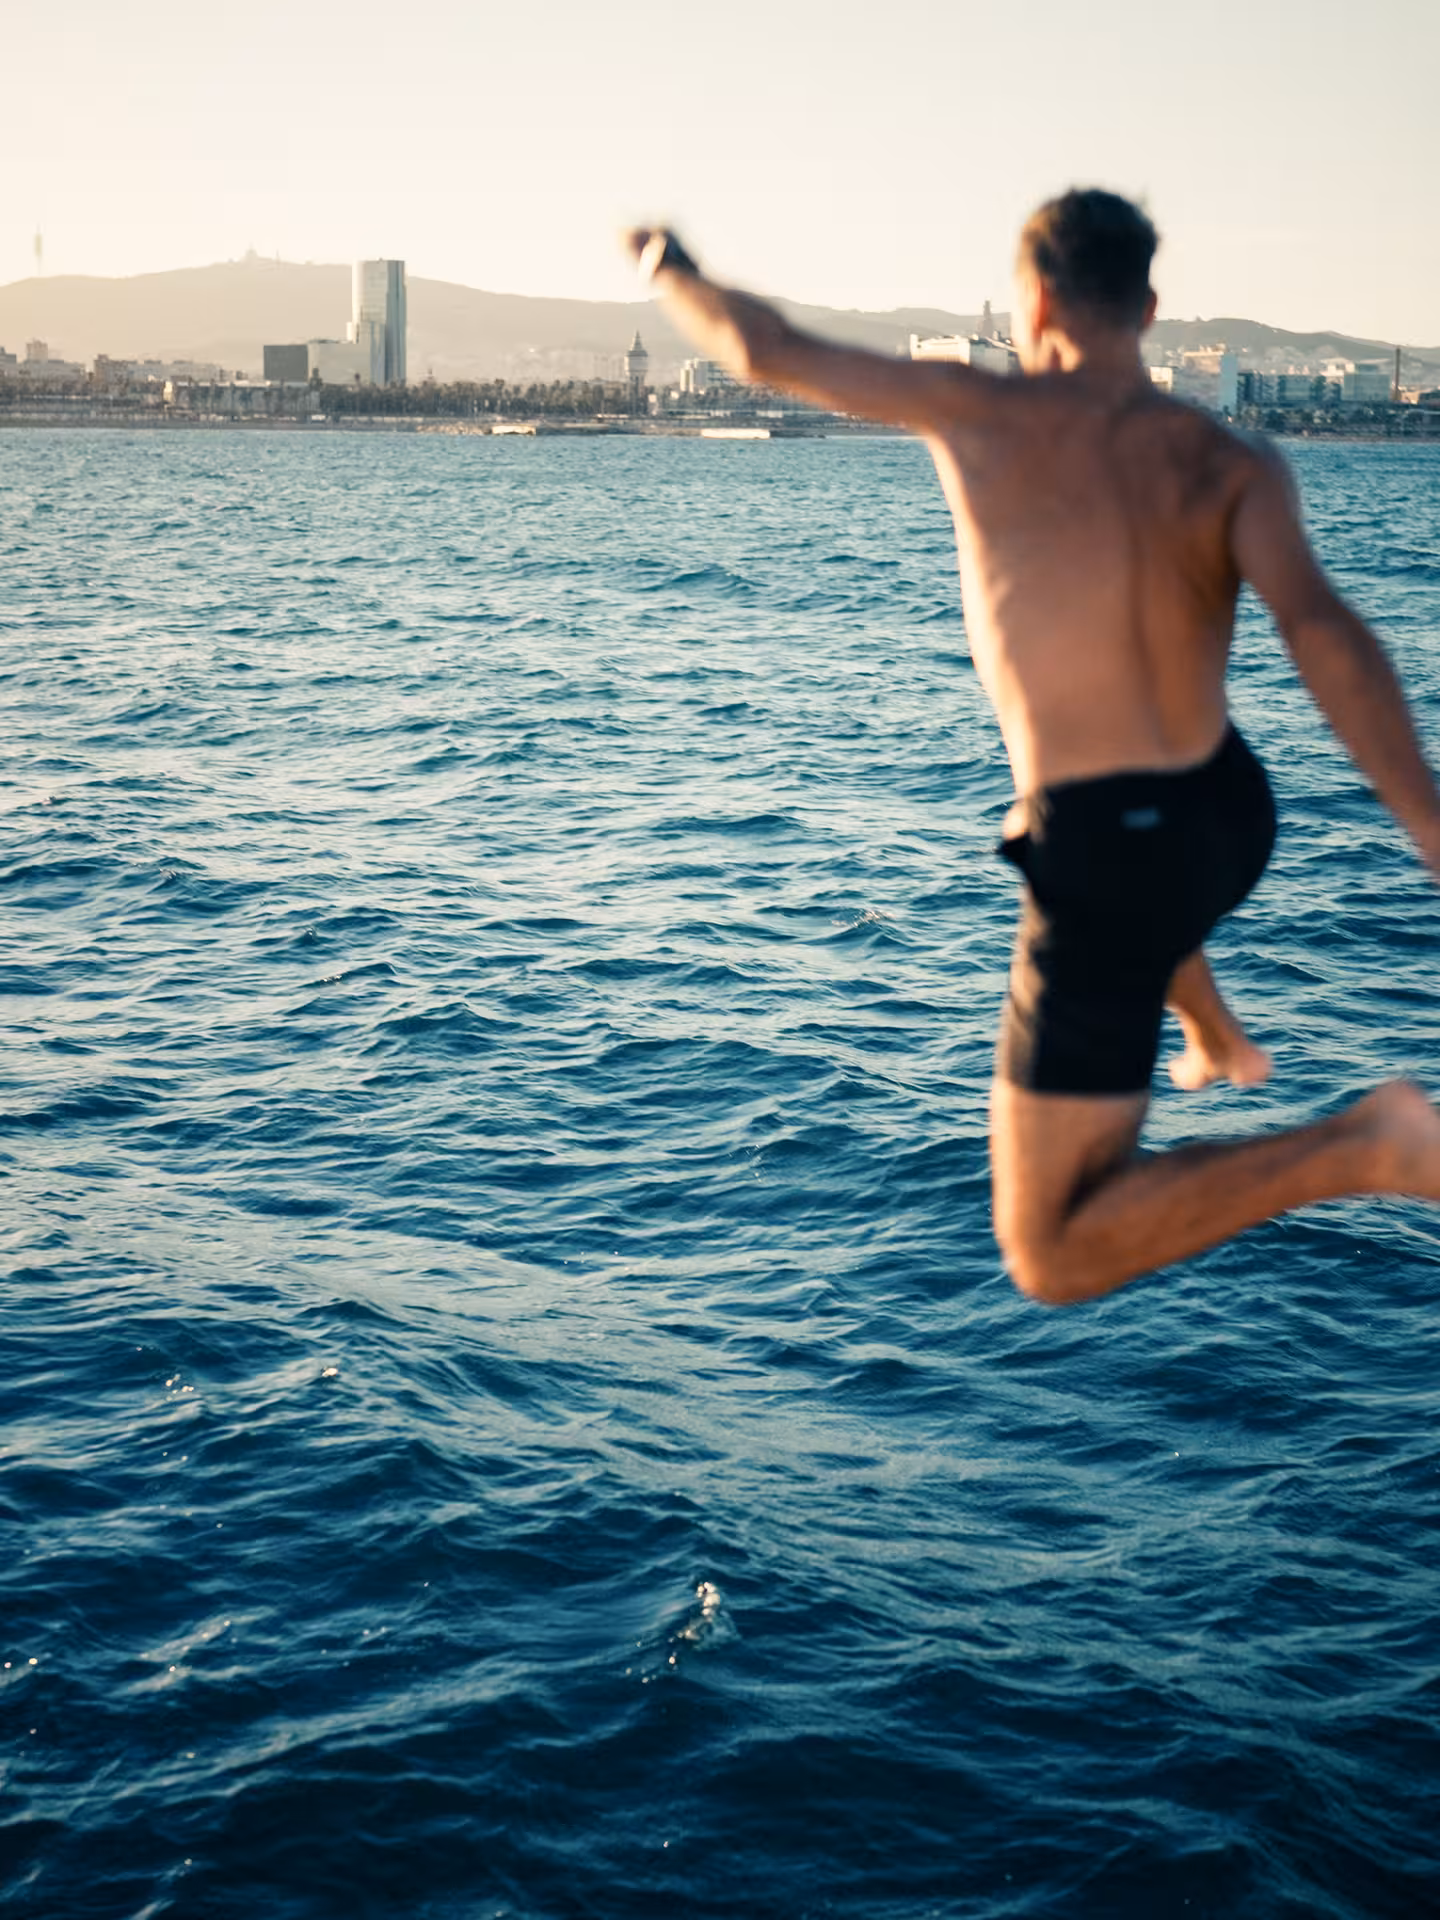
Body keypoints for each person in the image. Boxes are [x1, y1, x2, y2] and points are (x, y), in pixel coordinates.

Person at [625, 191, 1440, 1305]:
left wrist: (669, 267)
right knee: (1123, 868)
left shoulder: (983, 409)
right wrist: (1430, 827)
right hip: (1229, 812)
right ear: (1149, 306)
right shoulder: (1230, 459)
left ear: (1035, 299)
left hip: (1114, 841)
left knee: (1051, 1248)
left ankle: (1367, 1145)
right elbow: (1325, 634)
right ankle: (1213, 1036)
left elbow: (764, 346)